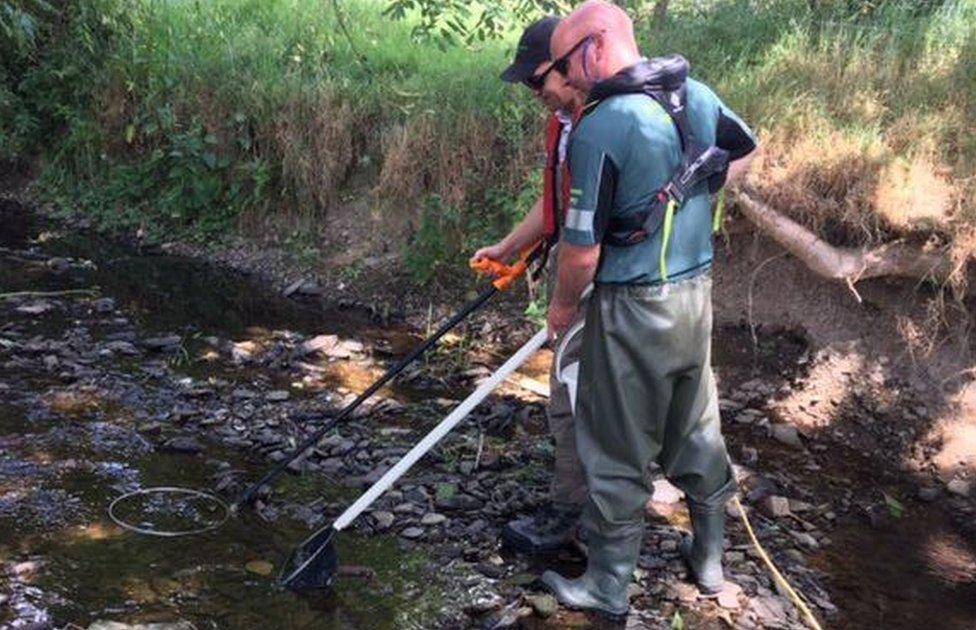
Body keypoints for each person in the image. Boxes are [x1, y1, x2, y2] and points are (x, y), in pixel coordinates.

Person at [539, 0, 758, 617]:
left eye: (563, 63)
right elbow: (743, 148)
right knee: (695, 424)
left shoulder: (601, 128)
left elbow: (581, 253)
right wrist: (697, 192)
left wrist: (560, 311)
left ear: (594, 46)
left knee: (615, 443)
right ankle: (710, 561)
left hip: (632, 307)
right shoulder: (696, 95)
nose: (563, 81)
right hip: (695, 298)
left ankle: (608, 586)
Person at [471, 16, 589, 554]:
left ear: (569, 64)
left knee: (571, 394)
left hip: (600, 275)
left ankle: (571, 518)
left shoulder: (604, 121)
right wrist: (509, 247)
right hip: (577, 264)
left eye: (536, 80)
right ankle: (585, 511)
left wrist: (564, 302)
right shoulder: (562, 123)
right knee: (572, 393)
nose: (533, 91)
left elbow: (594, 226)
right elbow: (555, 204)